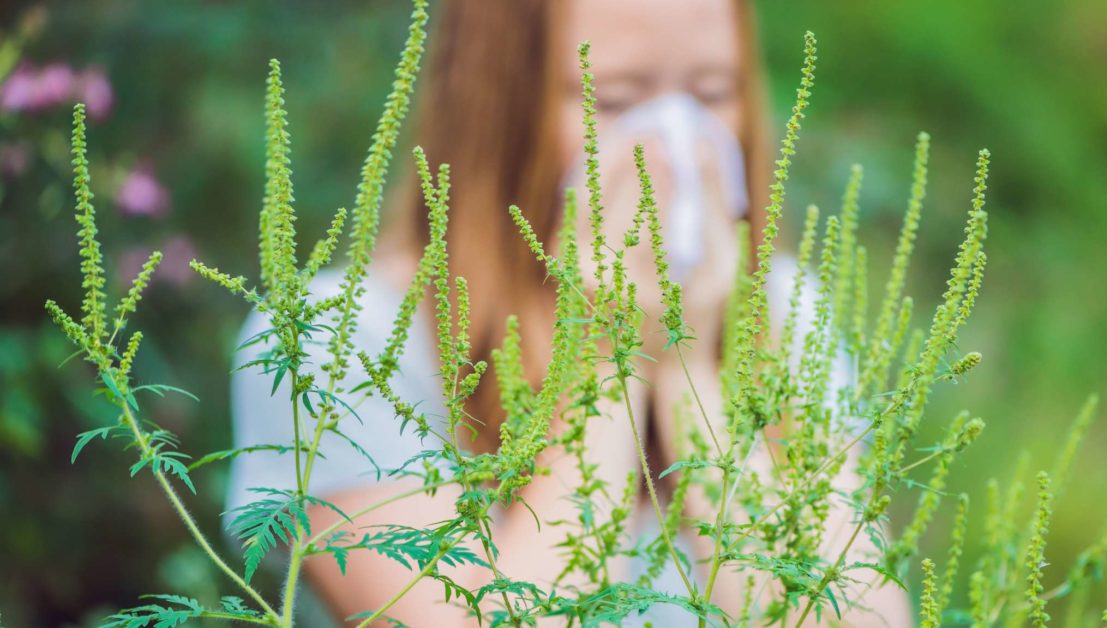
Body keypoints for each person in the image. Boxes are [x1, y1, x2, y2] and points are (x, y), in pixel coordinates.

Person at [227, 0, 912, 625]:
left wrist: (687, 361)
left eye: (712, 93)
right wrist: (613, 352)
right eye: (614, 99)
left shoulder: (788, 314)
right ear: (496, 108)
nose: (671, 142)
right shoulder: (339, 342)